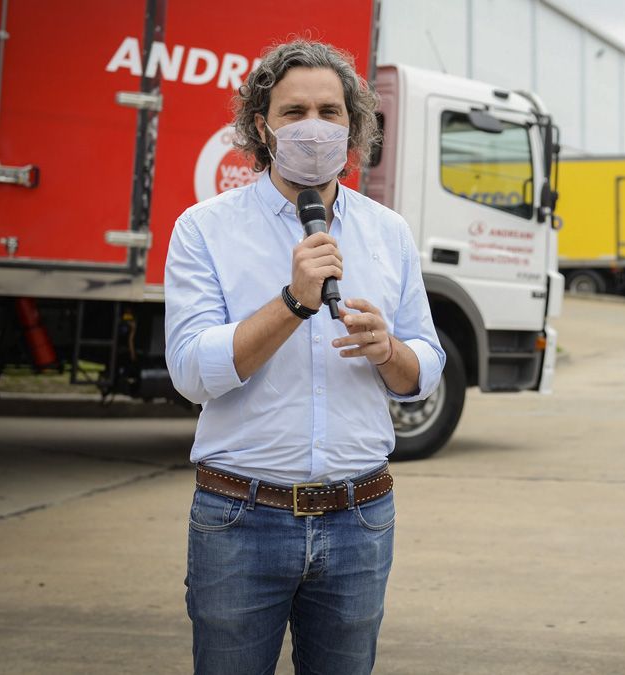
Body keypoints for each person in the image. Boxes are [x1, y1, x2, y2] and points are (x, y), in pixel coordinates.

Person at [164, 39, 445, 674]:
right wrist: (292, 301)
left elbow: (424, 368)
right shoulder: (204, 227)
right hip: (239, 518)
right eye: (294, 112)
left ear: (353, 126)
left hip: (359, 521)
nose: (313, 126)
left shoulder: (388, 232)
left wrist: (388, 350)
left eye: (330, 110)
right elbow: (190, 372)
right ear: (261, 126)